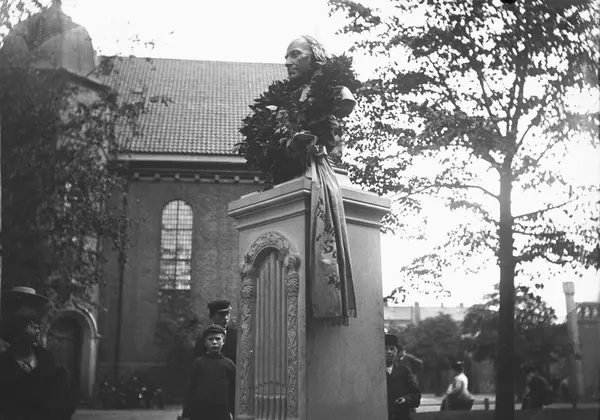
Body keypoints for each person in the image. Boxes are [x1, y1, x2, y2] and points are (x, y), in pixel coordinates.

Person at [0, 286, 76, 420]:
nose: (36, 327)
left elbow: (64, 405)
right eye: (29, 324)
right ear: (15, 332)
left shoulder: (46, 358)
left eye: (36, 323)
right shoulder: (5, 362)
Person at [181, 325, 236, 420]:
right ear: (205, 343)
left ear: (223, 342)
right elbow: (190, 390)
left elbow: (233, 392)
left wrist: (233, 413)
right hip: (200, 413)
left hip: (222, 413)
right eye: (210, 339)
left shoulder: (229, 365)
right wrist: (186, 414)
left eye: (218, 339)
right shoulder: (198, 364)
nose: (214, 342)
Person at [385, 334, 421, 420]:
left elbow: (416, 394)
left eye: (392, 349)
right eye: (385, 349)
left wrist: (405, 399)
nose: (389, 352)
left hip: (402, 416)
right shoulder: (374, 373)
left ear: (396, 351)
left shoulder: (404, 371)